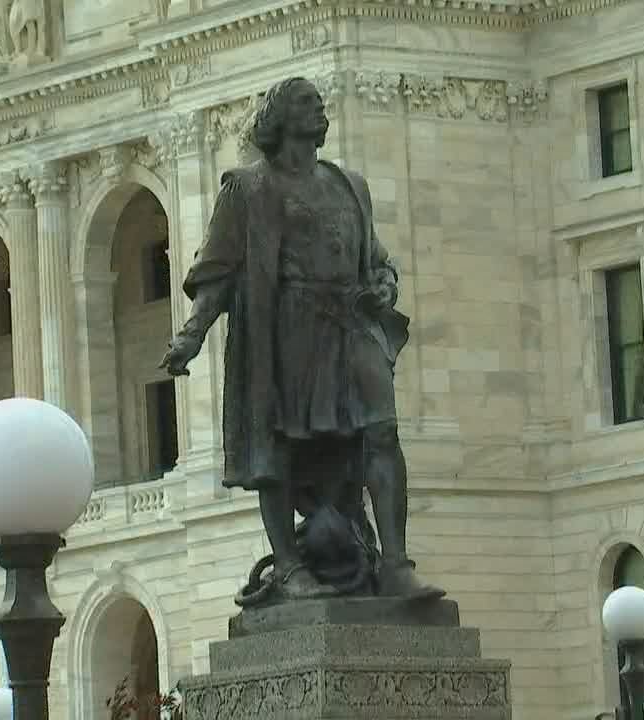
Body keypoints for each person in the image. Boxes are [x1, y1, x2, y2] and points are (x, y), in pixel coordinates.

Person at [160, 77, 443, 603]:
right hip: (285, 333)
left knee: (381, 433)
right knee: (278, 447)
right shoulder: (247, 188)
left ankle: (397, 564)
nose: (320, 108)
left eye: (319, 102)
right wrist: (190, 337)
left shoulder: (348, 184)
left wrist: (384, 282)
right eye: (306, 102)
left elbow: (376, 258)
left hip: (351, 323)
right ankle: (289, 568)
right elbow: (218, 272)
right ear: (280, 119)